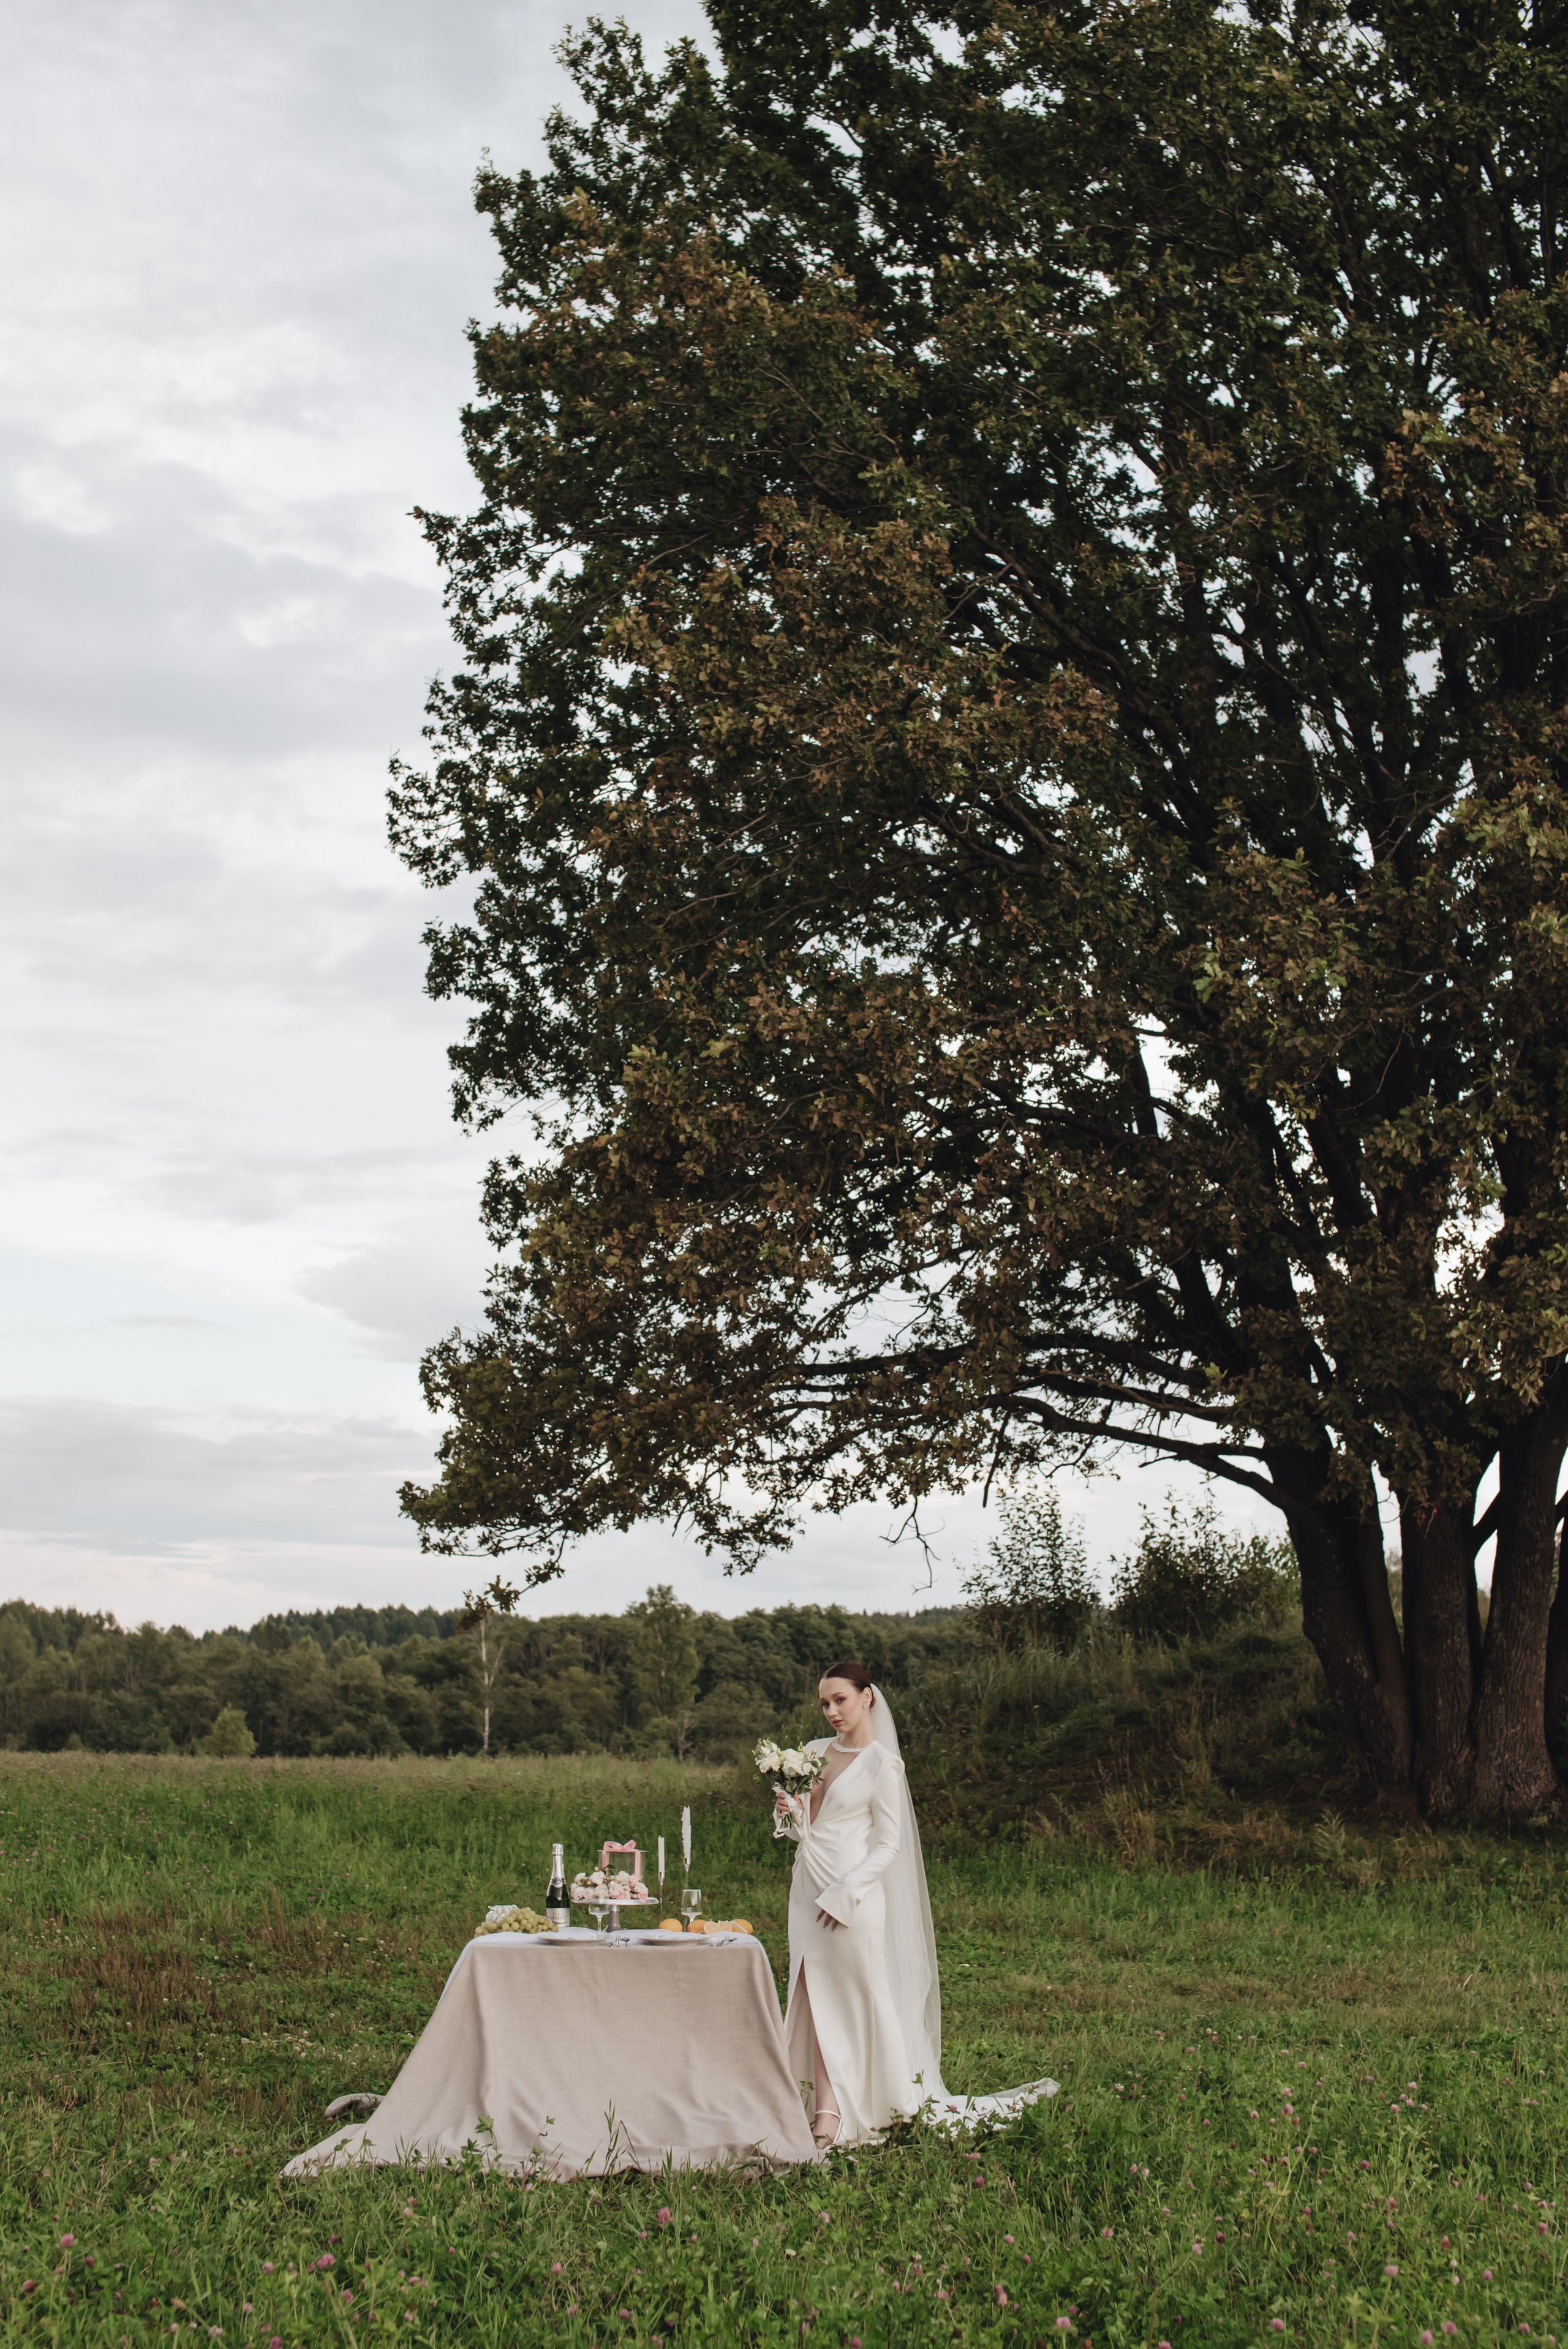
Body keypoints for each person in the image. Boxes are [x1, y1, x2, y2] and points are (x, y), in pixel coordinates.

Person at [774, 1661, 1057, 2151]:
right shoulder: (813, 1754)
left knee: (857, 1996)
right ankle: (827, 2108)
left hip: (852, 1897)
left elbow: (888, 1844)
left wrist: (848, 1890)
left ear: (867, 1697)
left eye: (840, 1699)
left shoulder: (884, 1764)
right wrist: (789, 1813)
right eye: (824, 1702)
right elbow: (809, 1830)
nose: (831, 1711)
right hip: (807, 1891)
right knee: (813, 1994)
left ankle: (876, 2102)